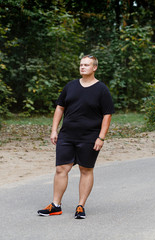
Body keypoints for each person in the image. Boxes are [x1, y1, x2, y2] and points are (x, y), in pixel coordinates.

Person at [37, 55, 115, 219]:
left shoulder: (102, 89)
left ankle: (80, 206)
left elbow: (107, 115)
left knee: (85, 170)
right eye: (81, 64)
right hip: (67, 135)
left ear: (94, 68)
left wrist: (101, 137)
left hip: (89, 137)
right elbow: (60, 108)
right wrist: (54, 130)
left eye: (86, 65)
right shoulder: (70, 86)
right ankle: (55, 205)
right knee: (61, 169)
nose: (82, 67)